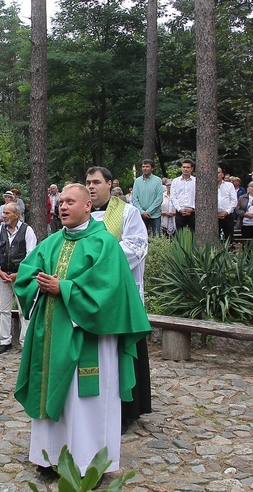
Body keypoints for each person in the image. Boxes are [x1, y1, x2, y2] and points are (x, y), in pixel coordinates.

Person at [14, 183, 151, 478]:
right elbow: (26, 274)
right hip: (51, 337)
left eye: (70, 202)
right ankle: (50, 459)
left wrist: (63, 288)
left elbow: (110, 291)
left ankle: (90, 463)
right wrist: (38, 284)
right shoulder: (51, 242)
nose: (62, 207)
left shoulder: (104, 244)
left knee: (85, 403)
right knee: (53, 396)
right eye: (60, 202)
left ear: (88, 206)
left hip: (90, 337)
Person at [85, 166, 151, 432]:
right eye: (88, 182)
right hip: (89, 299)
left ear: (110, 184)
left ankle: (126, 410)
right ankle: (92, 405)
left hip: (120, 299)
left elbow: (137, 246)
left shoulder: (126, 212)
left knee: (121, 355)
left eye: (96, 182)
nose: (91, 187)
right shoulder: (81, 214)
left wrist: (98, 257)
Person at [0, 202, 37, 354]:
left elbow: (31, 255)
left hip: (21, 276)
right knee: (4, 309)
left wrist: (19, 274)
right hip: (3, 275)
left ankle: (25, 342)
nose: (4, 216)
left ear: (17, 215)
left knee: (24, 310)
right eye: (3, 213)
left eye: (7, 213)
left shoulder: (27, 230)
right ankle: (5, 341)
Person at [132, 159, 164, 237]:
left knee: (156, 238)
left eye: (147, 166)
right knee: (141, 238)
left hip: (155, 215)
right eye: (143, 167)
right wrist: (142, 212)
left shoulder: (157, 180)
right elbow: (134, 199)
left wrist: (149, 211)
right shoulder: (137, 181)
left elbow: (159, 198)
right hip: (141, 215)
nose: (145, 168)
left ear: (152, 168)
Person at [170, 159, 197, 232]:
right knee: (180, 235)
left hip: (193, 212)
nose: (185, 169)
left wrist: (193, 208)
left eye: (188, 167)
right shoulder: (175, 181)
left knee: (194, 234)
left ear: (192, 169)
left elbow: (198, 196)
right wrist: (179, 209)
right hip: (180, 212)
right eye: (184, 167)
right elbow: (173, 197)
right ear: (181, 168)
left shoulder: (196, 181)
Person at [217, 167, 238, 242]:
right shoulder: (208, 187)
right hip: (214, 217)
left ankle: (230, 253)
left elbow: (234, 201)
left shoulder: (229, 185)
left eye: (218, 173)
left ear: (222, 174)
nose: (217, 175)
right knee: (215, 239)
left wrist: (226, 212)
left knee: (229, 239)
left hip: (227, 216)